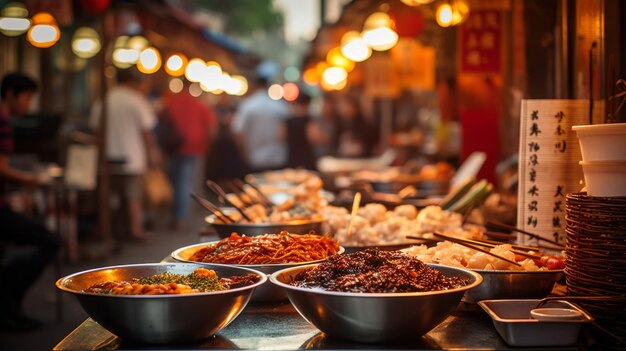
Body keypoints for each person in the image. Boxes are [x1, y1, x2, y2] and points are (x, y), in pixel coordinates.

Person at [0, 73, 60, 331]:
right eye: (27, 97)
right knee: (49, 240)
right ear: (11, 94)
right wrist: (28, 179)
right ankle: (8, 302)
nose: (29, 104)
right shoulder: (3, 120)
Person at [90, 68, 159, 243]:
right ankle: (135, 230)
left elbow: (96, 131)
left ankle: (110, 229)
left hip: (108, 156)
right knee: (133, 196)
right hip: (132, 155)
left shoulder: (103, 100)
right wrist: (152, 153)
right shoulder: (136, 100)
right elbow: (147, 132)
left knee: (109, 195)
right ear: (131, 81)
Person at [161, 83, 217, 229]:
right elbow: (211, 129)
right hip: (195, 148)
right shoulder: (201, 105)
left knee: (174, 183)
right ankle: (181, 217)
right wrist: (210, 146)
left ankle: (177, 215)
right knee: (186, 183)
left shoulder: (171, 102)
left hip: (173, 148)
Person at [231, 77, 289, 172]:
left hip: (254, 158)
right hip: (277, 157)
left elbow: (238, 131)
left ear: (254, 86)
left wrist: (243, 154)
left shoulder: (247, 105)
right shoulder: (280, 105)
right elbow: (284, 133)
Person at [281, 92, 317, 170]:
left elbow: (280, 136)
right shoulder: (309, 121)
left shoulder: (288, 121)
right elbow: (313, 138)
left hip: (292, 158)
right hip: (307, 158)